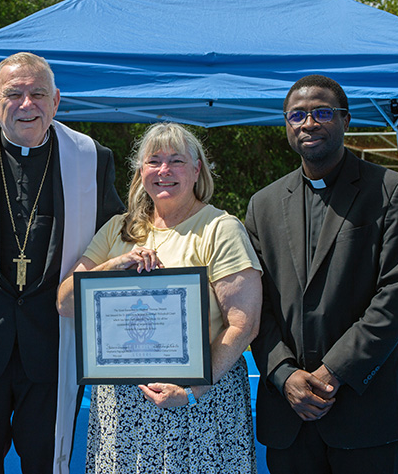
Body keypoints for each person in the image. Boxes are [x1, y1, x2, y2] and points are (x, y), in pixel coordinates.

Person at [0, 52, 124, 474]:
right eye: (14, 94)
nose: (27, 104)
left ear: (57, 101)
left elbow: (117, 241)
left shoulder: (91, 158)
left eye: (38, 94)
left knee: (47, 465)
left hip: (54, 345)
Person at [58, 122, 262, 473]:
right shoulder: (119, 228)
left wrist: (193, 390)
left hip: (198, 405)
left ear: (197, 169)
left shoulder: (220, 228)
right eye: (154, 161)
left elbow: (243, 325)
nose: (164, 171)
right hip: (123, 409)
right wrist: (112, 266)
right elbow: (65, 302)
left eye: (176, 161)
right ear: (141, 171)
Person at [245, 75, 398, 474]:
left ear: (345, 120)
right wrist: (283, 373)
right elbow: (257, 303)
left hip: (364, 410)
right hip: (288, 414)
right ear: (286, 125)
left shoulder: (390, 190)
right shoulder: (263, 205)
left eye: (322, 112)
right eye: (297, 115)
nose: (309, 123)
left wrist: (333, 372)